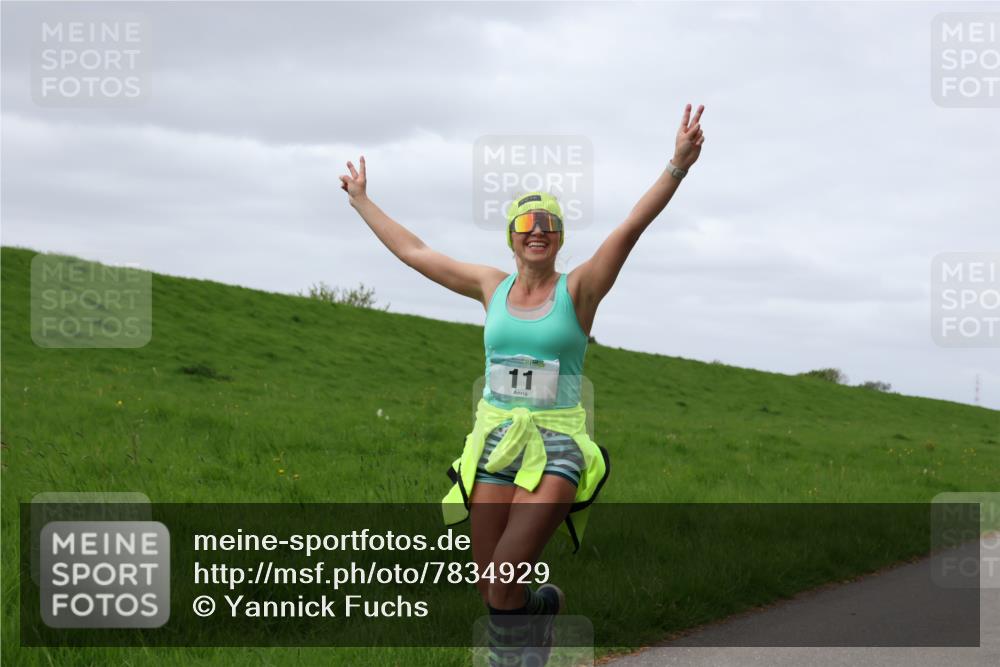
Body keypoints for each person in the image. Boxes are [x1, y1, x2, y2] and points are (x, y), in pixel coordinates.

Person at [341, 103, 705, 666]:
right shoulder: (491, 286)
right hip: (494, 438)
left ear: (560, 237)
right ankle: (542, 608)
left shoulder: (580, 289)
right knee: (494, 589)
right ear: (511, 235)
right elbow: (417, 253)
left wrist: (676, 166)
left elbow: (630, 226)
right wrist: (363, 201)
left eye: (549, 224)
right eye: (527, 224)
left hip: (557, 442)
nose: (538, 231)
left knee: (507, 573)